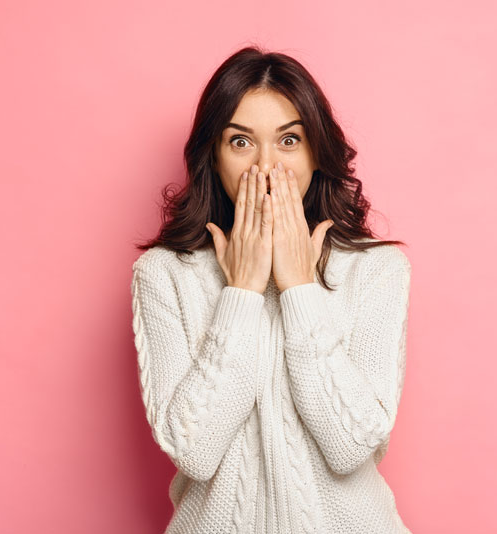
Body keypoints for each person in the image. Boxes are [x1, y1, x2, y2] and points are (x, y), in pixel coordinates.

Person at [130, 45, 413, 534]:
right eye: (241, 142)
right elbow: (194, 451)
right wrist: (240, 293)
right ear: (213, 156)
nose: (267, 166)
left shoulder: (378, 269)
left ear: (315, 151)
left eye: (288, 141)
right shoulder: (163, 275)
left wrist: (300, 287)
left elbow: (350, 444)